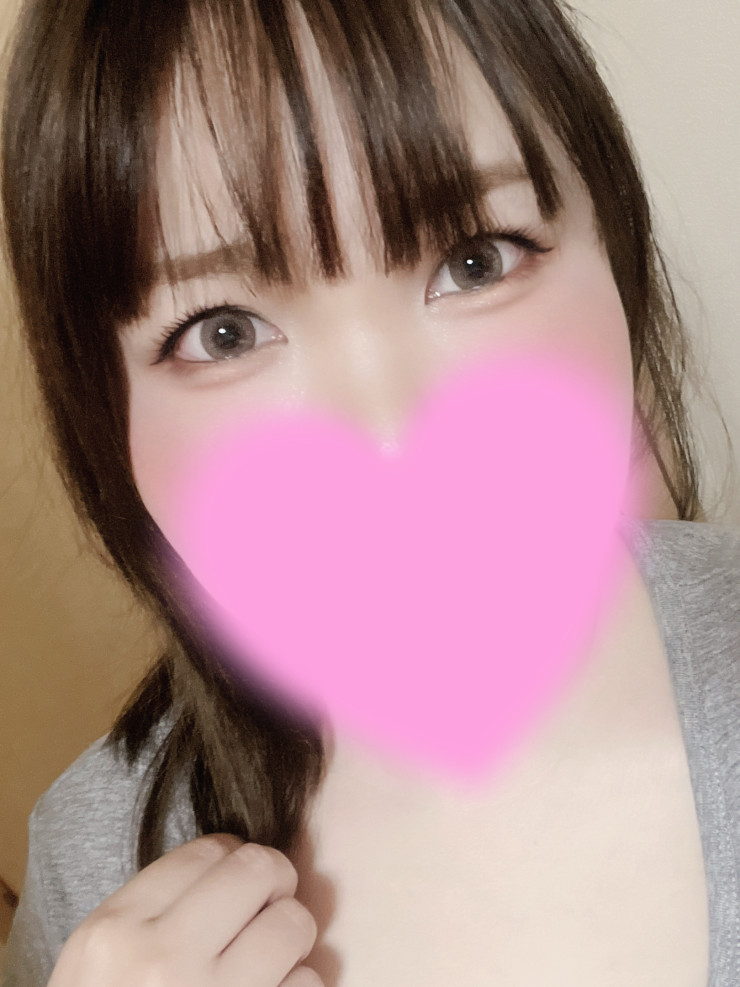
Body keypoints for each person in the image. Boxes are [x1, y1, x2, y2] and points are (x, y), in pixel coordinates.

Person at [2, 0, 739, 984]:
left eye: (476, 260)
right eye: (223, 331)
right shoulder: (93, 864)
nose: (389, 439)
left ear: (613, 247)